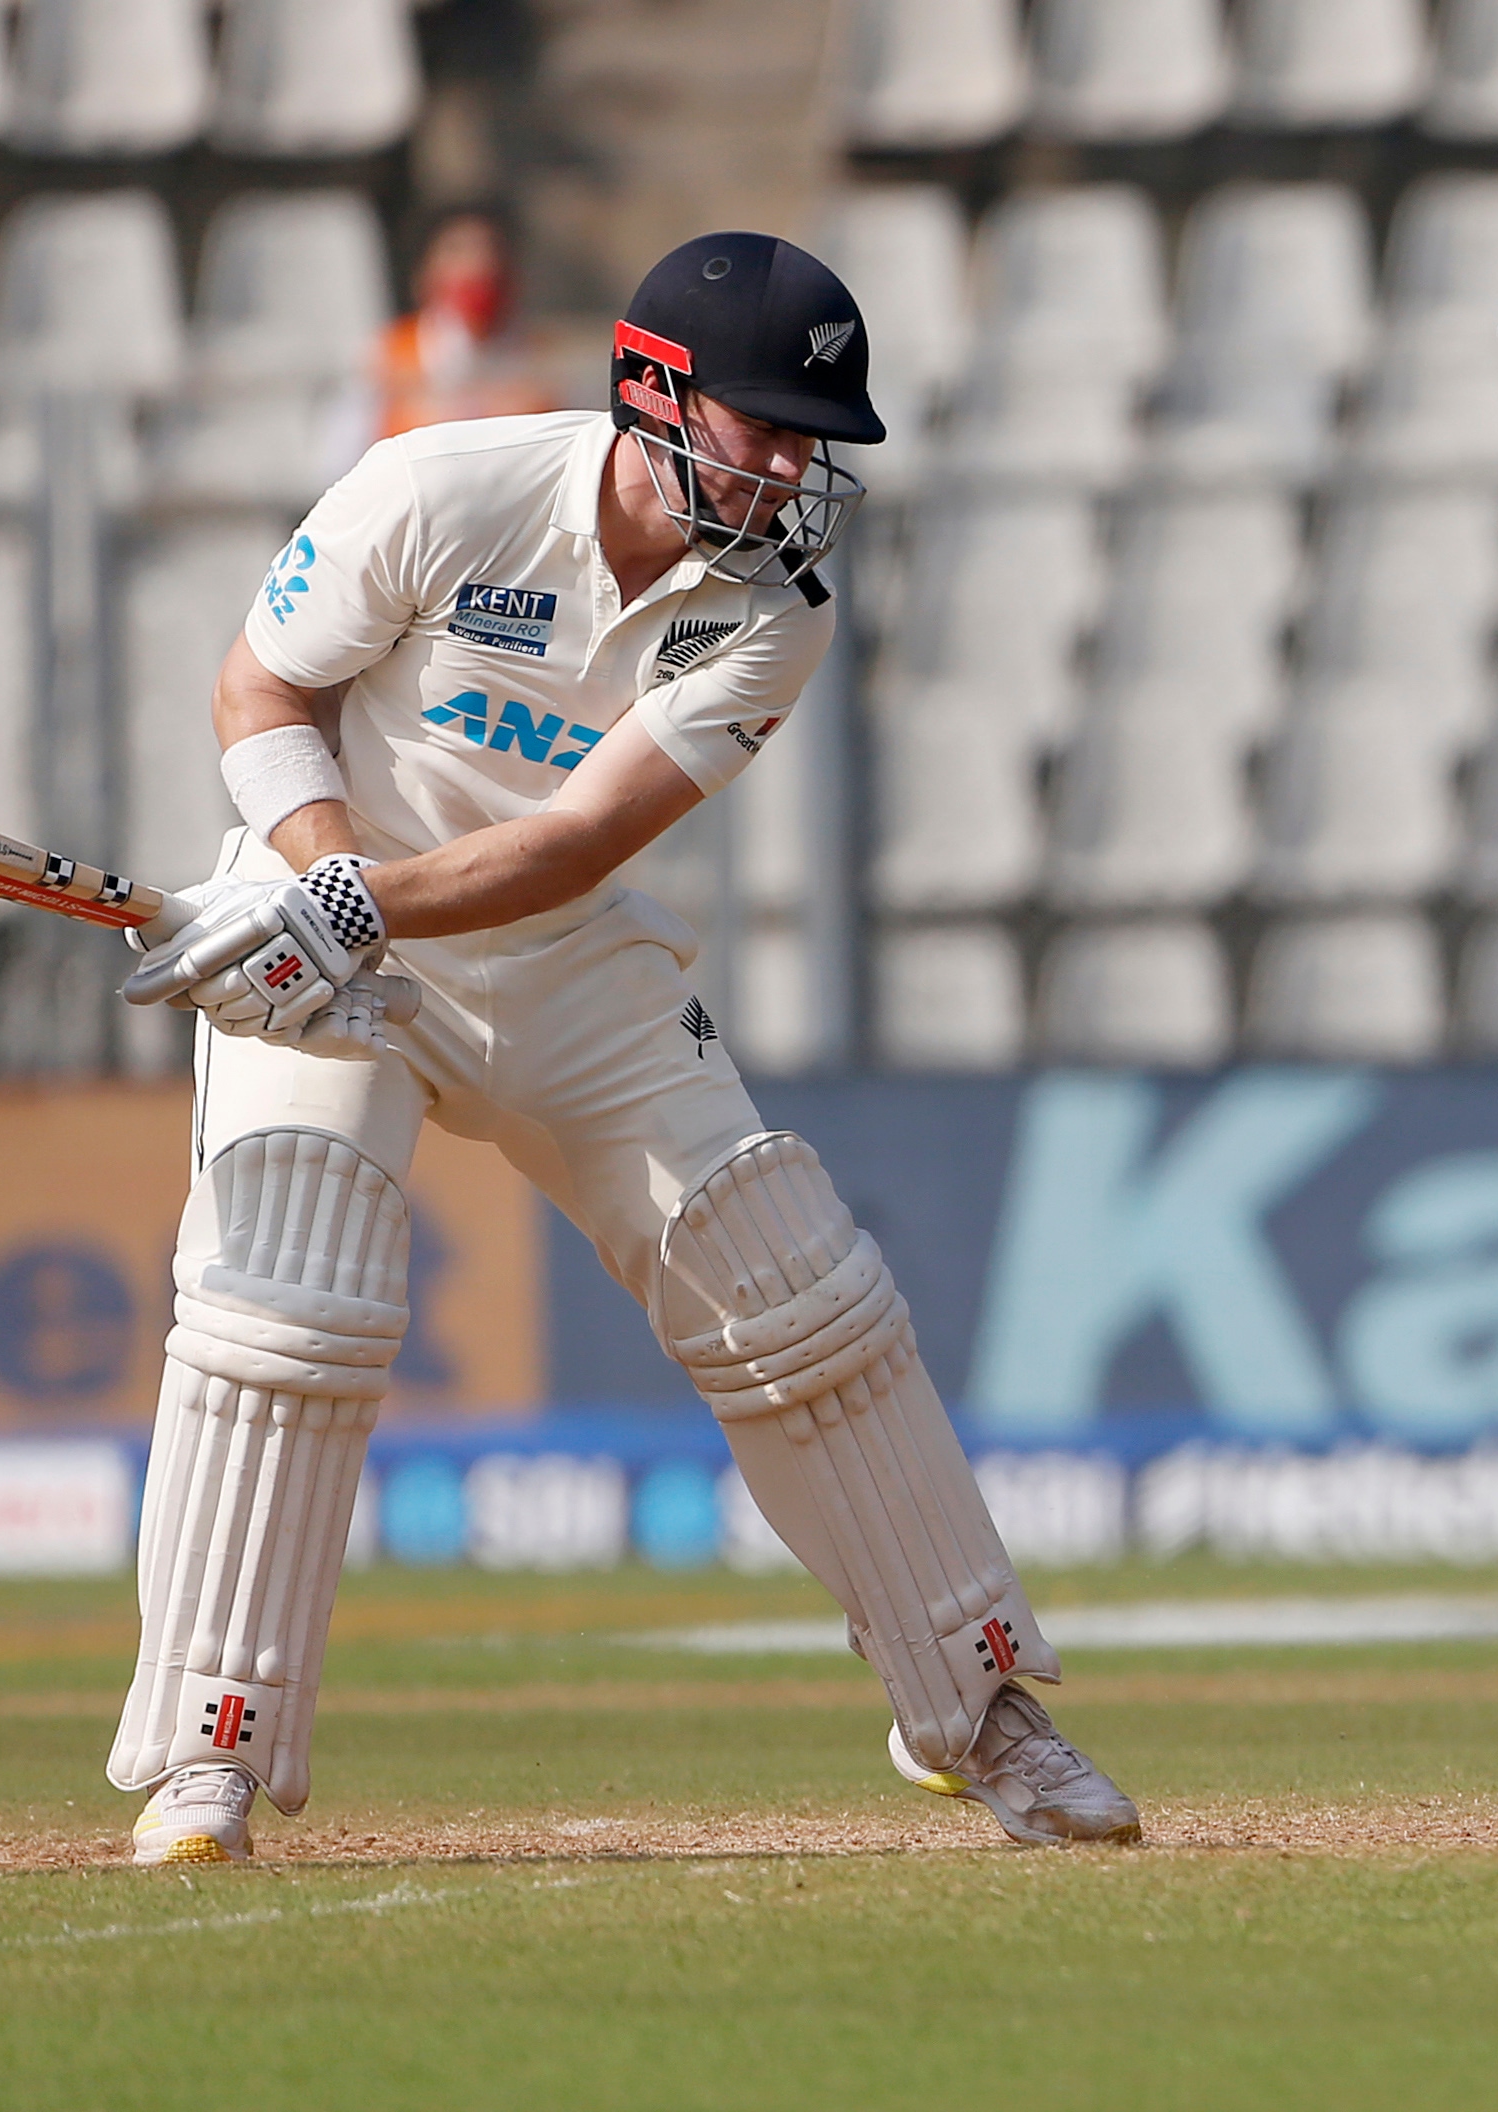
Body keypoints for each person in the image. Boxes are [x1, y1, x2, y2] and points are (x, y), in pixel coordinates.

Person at [104, 233, 1137, 1864]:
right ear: (654, 393)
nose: (797, 465)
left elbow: (578, 840)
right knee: (285, 1285)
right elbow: (258, 691)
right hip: (327, 919)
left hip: (546, 954)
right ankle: (207, 1750)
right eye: (767, 425)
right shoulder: (436, 486)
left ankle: (985, 1707)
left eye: (814, 438)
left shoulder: (775, 604)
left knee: (790, 1277)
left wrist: (365, 903)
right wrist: (319, 880)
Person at [367, 207, 560, 442]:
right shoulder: (387, 357)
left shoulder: (546, 359)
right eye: (456, 251)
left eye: (492, 251)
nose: (478, 265)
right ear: (425, 272)